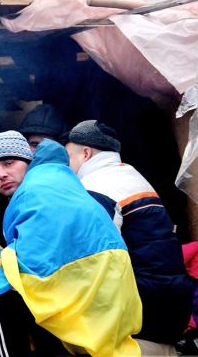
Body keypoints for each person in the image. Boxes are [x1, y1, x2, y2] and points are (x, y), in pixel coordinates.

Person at [0, 131, 141, 357]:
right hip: (102, 296)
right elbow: (51, 247)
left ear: (29, 161)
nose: (2, 174)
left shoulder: (37, 190)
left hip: (92, 297)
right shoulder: (57, 181)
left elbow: (43, 258)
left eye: (9, 163)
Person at [66, 120, 196, 349]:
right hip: (171, 306)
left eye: (69, 158)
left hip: (141, 310)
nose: (67, 167)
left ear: (86, 153)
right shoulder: (132, 176)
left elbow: (93, 260)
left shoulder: (96, 186)